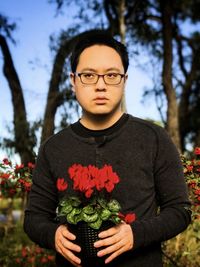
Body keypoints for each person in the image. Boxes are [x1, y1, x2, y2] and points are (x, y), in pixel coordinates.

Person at [24, 31, 191, 267]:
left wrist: (136, 234)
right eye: (89, 76)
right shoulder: (53, 148)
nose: (100, 85)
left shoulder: (153, 138)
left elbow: (180, 211)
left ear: (124, 80)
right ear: (73, 81)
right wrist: (53, 235)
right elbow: (33, 219)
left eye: (112, 75)